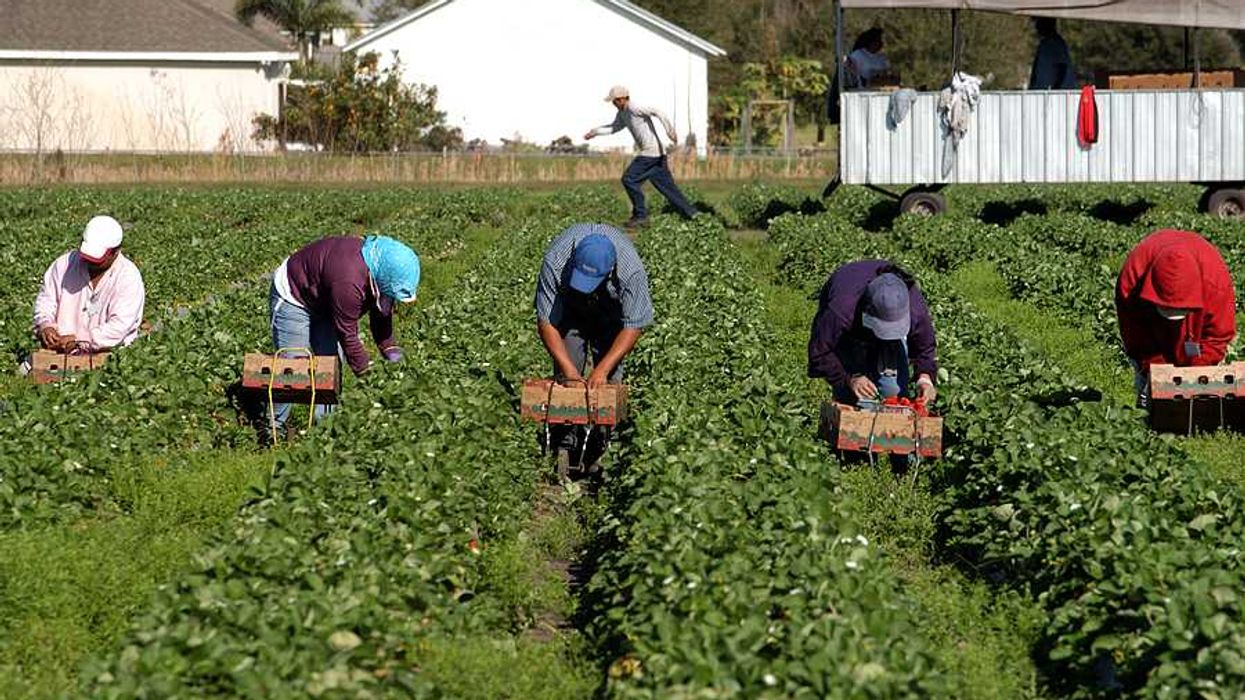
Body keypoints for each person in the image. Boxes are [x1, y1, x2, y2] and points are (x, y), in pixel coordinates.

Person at [266, 234, 419, 436]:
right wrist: (368, 376)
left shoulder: (378, 272)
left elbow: (381, 318)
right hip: (294, 295)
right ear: (382, 277)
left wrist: (392, 352)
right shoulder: (349, 280)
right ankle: (273, 429)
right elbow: (348, 335)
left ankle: (324, 429)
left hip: (326, 299)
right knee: (293, 365)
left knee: (330, 365)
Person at [534, 223, 653, 472]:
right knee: (569, 379)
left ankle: (601, 446)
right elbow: (546, 321)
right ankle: (564, 444)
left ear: (610, 271)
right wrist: (569, 370)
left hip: (611, 316)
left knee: (608, 383)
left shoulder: (631, 270)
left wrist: (601, 369)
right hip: (570, 312)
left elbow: (633, 325)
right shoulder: (556, 260)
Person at [1115, 229, 1236, 408]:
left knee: (1203, 397)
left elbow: (1216, 337)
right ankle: (1149, 419)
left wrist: (1195, 376)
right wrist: (1157, 374)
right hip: (1152, 332)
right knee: (1149, 394)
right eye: (1166, 308)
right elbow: (1137, 339)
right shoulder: (1132, 280)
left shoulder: (1215, 283)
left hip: (1196, 337)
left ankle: (1198, 420)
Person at [808, 260, 938, 405]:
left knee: (893, 392)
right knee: (852, 398)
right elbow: (820, 351)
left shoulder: (915, 309)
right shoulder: (840, 310)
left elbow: (925, 348)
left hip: (886, 332)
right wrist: (849, 379)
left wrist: (925, 379)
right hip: (850, 331)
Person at [584, 85, 698, 228]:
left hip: (650, 153)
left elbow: (658, 112)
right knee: (668, 188)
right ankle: (693, 214)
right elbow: (615, 127)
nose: (613, 104)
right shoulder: (623, 113)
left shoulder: (634, 108)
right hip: (658, 155)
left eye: (614, 101)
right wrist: (595, 132)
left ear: (622, 99)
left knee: (629, 179)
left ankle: (640, 216)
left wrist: (670, 131)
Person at [32, 215, 145, 356]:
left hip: (110, 356)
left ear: (115, 252)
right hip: (58, 352)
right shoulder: (63, 265)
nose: (89, 262)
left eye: (97, 259)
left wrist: (79, 340)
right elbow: (46, 300)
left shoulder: (128, 277)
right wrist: (45, 325)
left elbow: (118, 327)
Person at [1029, 17, 1077, 90]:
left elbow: (1062, 67)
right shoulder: (1044, 44)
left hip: (1055, 95)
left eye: (1038, 22)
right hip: (1041, 94)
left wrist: (1055, 91)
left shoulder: (1056, 43)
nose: (1036, 26)